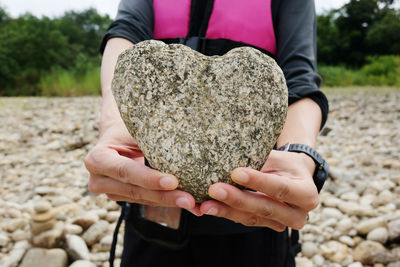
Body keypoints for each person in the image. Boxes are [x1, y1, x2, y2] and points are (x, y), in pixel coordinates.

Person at [84, 0, 329, 266]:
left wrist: (299, 154)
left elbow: (300, 77)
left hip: (253, 216)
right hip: (153, 212)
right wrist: (114, 126)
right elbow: (124, 34)